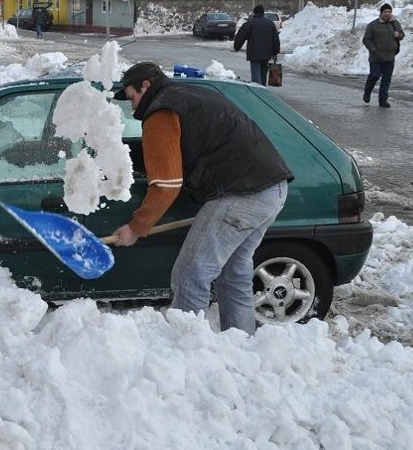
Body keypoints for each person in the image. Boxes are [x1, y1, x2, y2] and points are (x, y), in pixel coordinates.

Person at [111, 62, 293, 334]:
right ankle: (242, 345)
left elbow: (166, 185)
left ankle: (185, 353)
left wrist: (137, 228)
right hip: (272, 188)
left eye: (132, 96)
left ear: (146, 86)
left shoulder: (160, 111)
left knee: (189, 276)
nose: (133, 106)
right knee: (234, 273)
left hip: (239, 195)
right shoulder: (192, 94)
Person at [362, 3, 404, 108]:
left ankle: (383, 100)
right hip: (376, 57)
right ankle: (368, 91)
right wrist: (373, 50)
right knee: (374, 75)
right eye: (385, 12)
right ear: (381, 13)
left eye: (389, 12)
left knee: (386, 79)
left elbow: (402, 34)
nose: (387, 14)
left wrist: (398, 35)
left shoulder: (394, 23)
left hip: (390, 57)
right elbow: (366, 39)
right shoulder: (373, 25)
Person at [233, 4, 280, 86]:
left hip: (254, 53)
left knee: (256, 75)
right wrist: (275, 52)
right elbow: (275, 39)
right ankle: (263, 90)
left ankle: (257, 91)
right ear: (263, 12)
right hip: (266, 54)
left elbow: (241, 36)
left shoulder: (250, 23)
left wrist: (237, 47)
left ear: (254, 12)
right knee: (263, 74)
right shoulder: (270, 24)